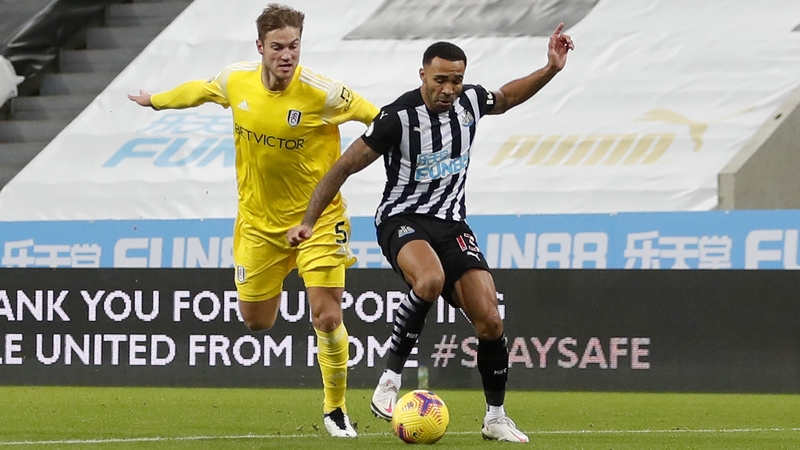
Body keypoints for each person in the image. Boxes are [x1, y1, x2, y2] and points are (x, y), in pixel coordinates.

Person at [287, 23, 574, 443]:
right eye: (440, 79)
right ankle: (389, 380)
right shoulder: (397, 118)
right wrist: (309, 221)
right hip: (401, 219)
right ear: (423, 74)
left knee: (491, 321)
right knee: (430, 278)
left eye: (456, 80)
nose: (449, 89)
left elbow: (507, 97)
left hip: (452, 224)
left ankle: (495, 418)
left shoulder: (470, 102)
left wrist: (550, 68)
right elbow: (344, 166)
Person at [128, 3, 379, 438]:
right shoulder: (236, 79)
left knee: (326, 316)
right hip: (259, 225)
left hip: (318, 220)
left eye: (294, 46)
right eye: (278, 47)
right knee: (257, 321)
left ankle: (335, 408)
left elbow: (379, 119)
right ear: (260, 46)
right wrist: (156, 101)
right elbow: (201, 90)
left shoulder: (323, 93)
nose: (287, 55)